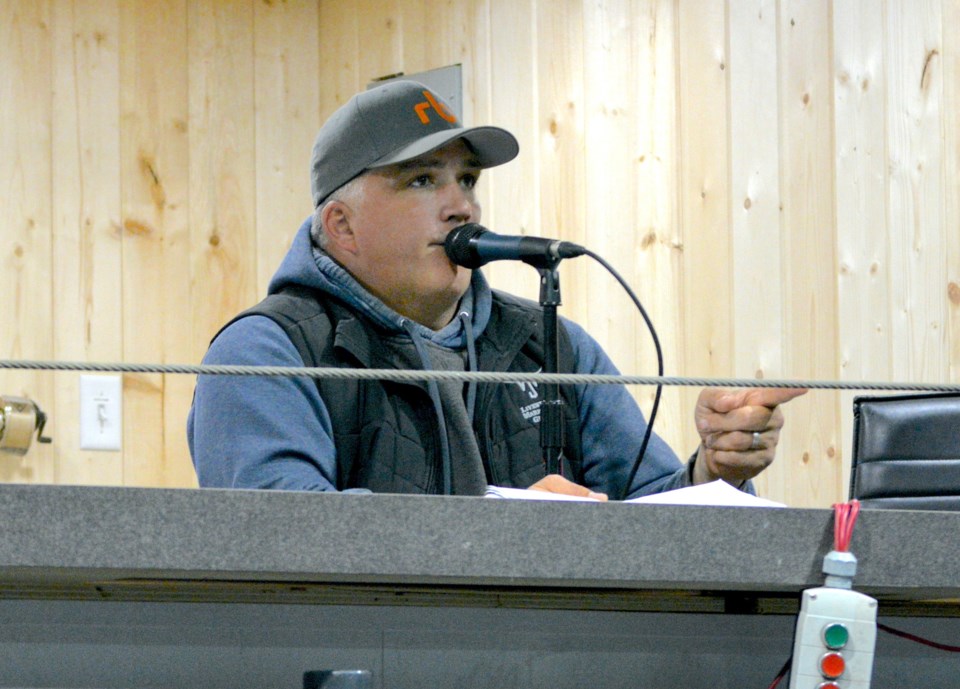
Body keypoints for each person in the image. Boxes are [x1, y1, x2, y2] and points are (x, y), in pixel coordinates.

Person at [187, 80, 804, 500]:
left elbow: (649, 516)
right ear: (342, 226)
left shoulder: (553, 345)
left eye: (468, 178)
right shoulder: (266, 352)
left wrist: (713, 471)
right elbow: (286, 545)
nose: (462, 205)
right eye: (422, 179)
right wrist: (503, 527)